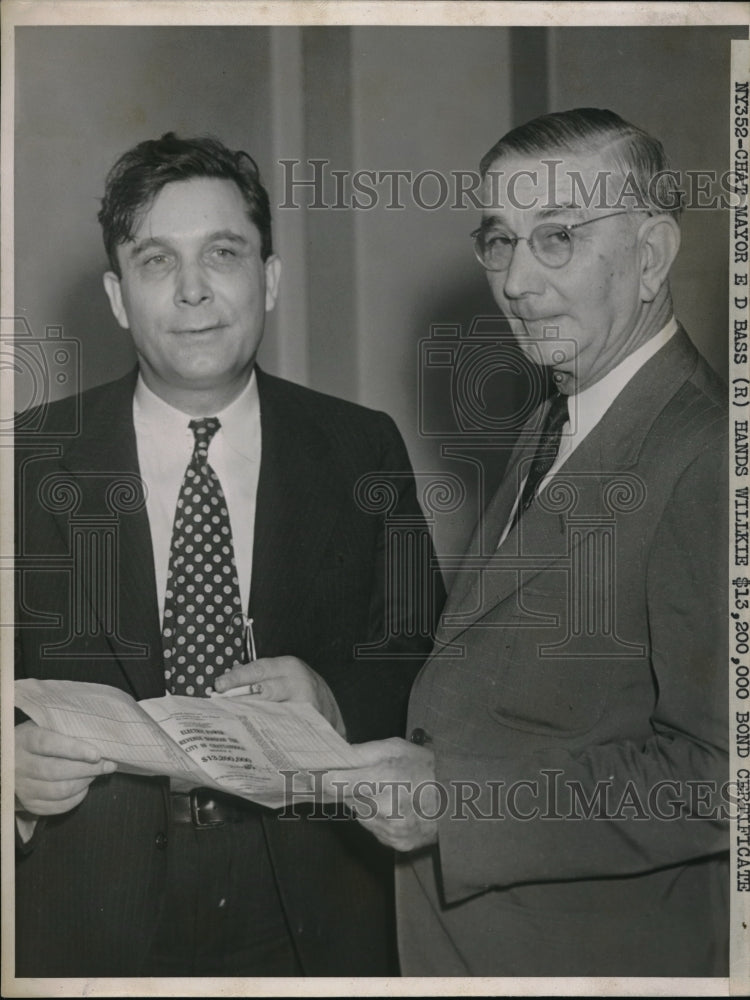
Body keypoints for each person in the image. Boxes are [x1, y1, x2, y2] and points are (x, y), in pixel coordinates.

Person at [14, 132, 443, 977]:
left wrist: (331, 695)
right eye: (155, 260)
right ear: (116, 295)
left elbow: (425, 656)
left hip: (314, 903)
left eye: (223, 253)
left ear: (270, 279)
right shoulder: (27, 459)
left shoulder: (360, 447)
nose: (193, 290)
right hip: (87, 909)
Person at [312, 108, 729, 976]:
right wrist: (328, 718)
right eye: (498, 240)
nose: (516, 280)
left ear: (651, 256)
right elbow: (493, 692)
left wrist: (457, 806)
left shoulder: (708, 456)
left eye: (557, 238)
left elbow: (717, 778)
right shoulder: (555, 415)